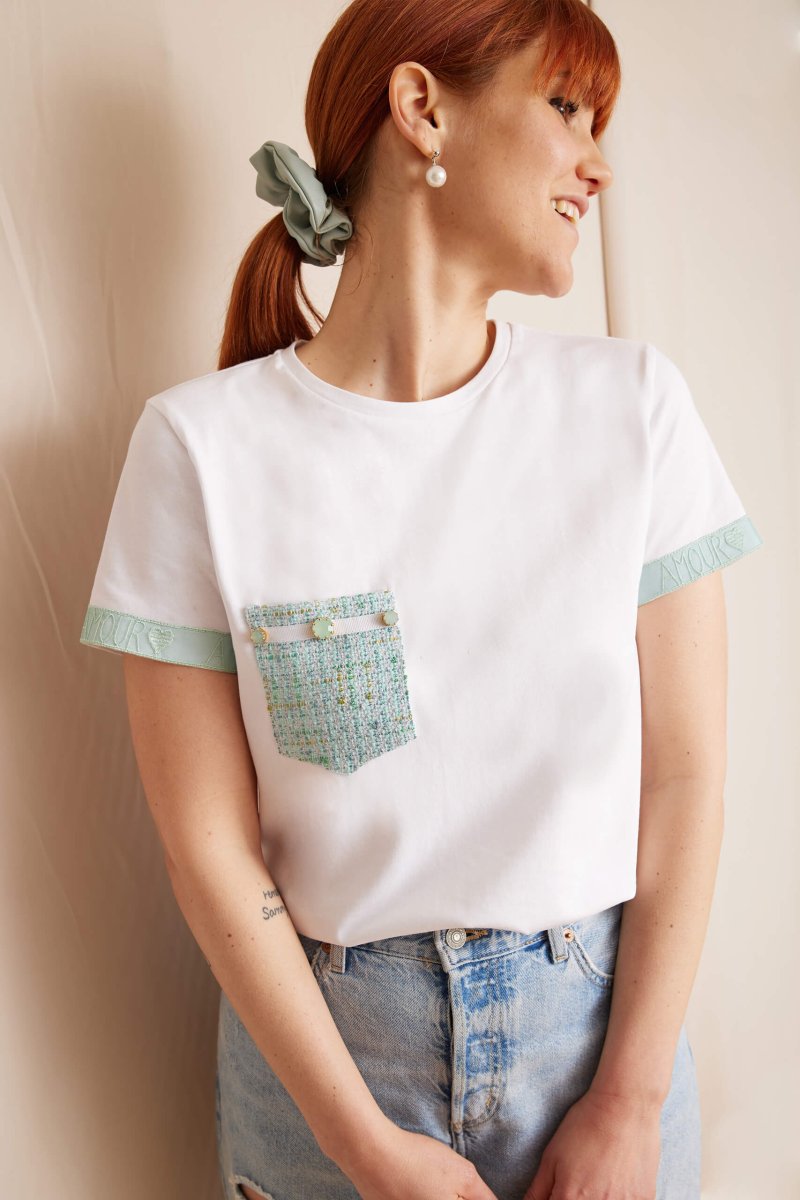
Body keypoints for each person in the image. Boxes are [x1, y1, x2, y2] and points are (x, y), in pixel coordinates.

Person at [79, 1, 765, 1198]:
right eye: (564, 108)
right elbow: (207, 847)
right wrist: (359, 1145)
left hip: (598, 1054)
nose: (596, 163)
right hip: (325, 1078)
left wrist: (629, 1099)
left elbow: (685, 778)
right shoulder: (200, 450)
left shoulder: (631, 410)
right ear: (420, 110)